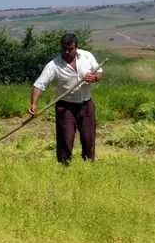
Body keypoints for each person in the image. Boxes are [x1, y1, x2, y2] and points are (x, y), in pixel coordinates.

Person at [29, 33, 103, 165]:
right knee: (65, 139)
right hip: (65, 107)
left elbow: (99, 71)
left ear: (76, 47)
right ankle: (64, 167)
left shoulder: (86, 56)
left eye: (70, 49)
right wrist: (34, 104)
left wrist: (95, 77)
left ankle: (89, 165)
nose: (67, 52)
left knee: (88, 138)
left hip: (86, 105)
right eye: (64, 49)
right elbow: (39, 85)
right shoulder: (53, 65)